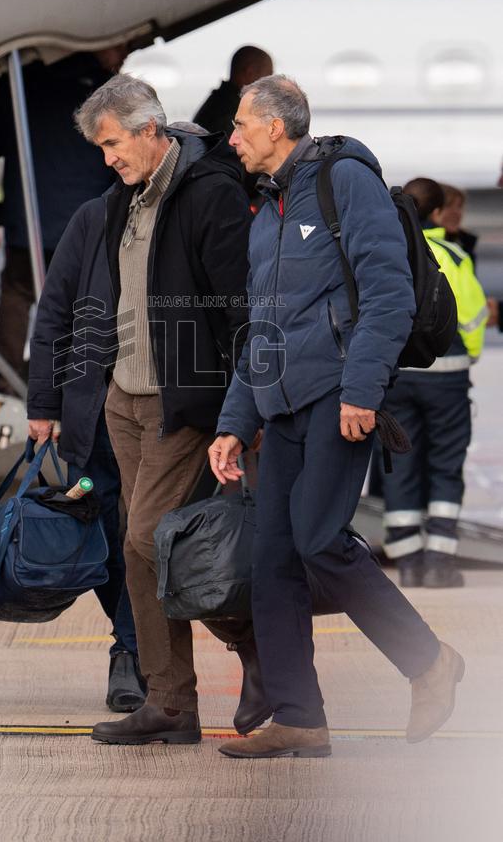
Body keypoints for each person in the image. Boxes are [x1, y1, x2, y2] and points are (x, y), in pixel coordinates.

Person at [209, 75, 464, 760]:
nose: (231, 138)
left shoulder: (343, 182)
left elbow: (389, 294)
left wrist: (362, 389)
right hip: (281, 404)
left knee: (320, 539)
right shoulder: (267, 213)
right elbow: (259, 329)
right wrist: (235, 421)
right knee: (272, 558)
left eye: (240, 125)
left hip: (335, 397)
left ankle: (431, 662)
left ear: (276, 126)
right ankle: (299, 717)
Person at [72, 74, 271, 746]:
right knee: (153, 549)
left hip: (183, 402)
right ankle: (178, 702)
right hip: (124, 400)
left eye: (113, 143)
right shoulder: (121, 200)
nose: (108, 157)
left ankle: (237, 664)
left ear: (150, 129)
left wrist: (246, 411)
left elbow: (241, 311)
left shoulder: (209, 195)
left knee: (146, 542)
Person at [26, 193, 146, 713]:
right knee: (105, 537)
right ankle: (133, 647)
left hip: (157, 409)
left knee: (143, 536)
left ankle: (133, 652)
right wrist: (43, 402)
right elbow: (54, 308)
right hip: (92, 411)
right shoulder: (93, 216)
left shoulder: (188, 214)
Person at [0, 46, 127, 390]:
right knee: (80, 305)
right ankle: (72, 381)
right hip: (87, 226)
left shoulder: (21, 84)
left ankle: (8, 379)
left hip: (27, 223)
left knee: (17, 294)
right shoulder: (106, 92)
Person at [381, 178, 487, 589]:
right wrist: (467, 356)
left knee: (401, 462)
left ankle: (406, 558)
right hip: (447, 380)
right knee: (445, 464)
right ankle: (439, 561)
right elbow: (474, 317)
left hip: (399, 376)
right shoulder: (455, 257)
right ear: (439, 213)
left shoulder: (389, 251)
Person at [193, 45, 273, 137]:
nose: (271, 84)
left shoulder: (220, 103)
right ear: (249, 73)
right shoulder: (230, 115)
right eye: (269, 76)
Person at [435, 183, 478, 267]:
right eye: (448, 206)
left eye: (459, 206)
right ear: (433, 210)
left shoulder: (465, 243)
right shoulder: (420, 247)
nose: (456, 213)